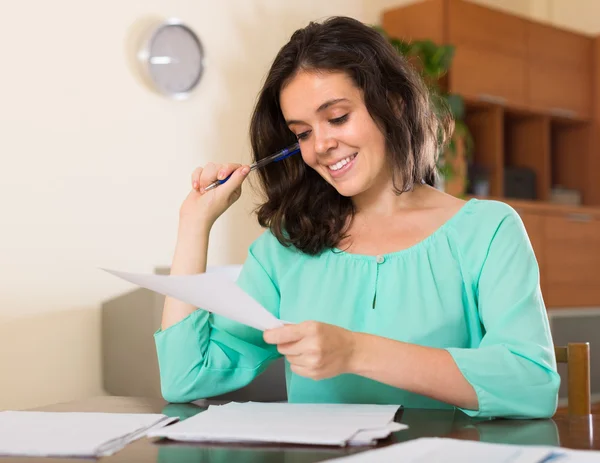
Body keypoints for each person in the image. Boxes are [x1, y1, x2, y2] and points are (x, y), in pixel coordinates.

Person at [155, 16, 560, 419]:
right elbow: (185, 378)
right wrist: (194, 224)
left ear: (394, 103)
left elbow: (532, 384)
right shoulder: (287, 248)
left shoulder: (488, 231)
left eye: (336, 117)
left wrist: (355, 352)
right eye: (302, 133)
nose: (322, 146)